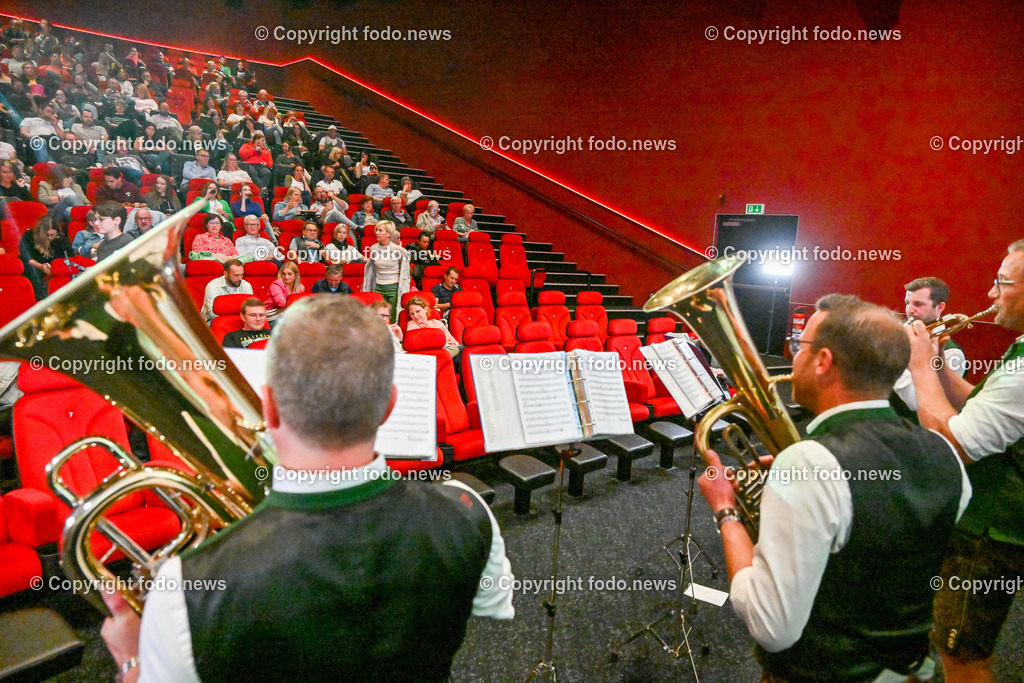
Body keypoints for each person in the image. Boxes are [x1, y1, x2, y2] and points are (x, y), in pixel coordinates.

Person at [101, 295, 513, 680]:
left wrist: (134, 658)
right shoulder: (469, 509)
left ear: (270, 406)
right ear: (390, 405)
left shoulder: (183, 586)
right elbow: (493, 604)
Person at [698, 294, 971, 682]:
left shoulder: (810, 463)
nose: (793, 358)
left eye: (800, 347)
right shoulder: (945, 452)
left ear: (824, 361)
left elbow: (770, 626)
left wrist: (727, 511)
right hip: (911, 670)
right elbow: (886, 530)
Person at [906, 240, 1024, 682]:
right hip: (1001, 522)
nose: (991, 293)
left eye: (1002, 283)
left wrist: (918, 366)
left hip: (990, 533)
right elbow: (983, 409)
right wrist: (936, 365)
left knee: (963, 657)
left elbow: (954, 444)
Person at [891, 277, 968, 418]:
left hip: (916, 433)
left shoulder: (952, 354)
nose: (910, 311)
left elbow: (915, 402)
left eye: (918, 304)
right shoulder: (901, 335)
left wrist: (892, 358)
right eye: (908, 303)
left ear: (940, 307)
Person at [363, 222, 410, 323]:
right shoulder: (373, 249)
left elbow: (405, 273)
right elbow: (370, 271)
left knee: (392, 319)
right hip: (378, 287)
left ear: (389, 233)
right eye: (376, 230)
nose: (377, 233)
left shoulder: (399, 250)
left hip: (394, 288)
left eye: (380, 230)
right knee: (377, 318)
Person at [19, 216, 72, 299]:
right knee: (33, 273)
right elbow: (26, 257)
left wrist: (55, 268)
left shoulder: (61, 239)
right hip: (34, 266)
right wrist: (40, 266)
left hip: (54, 268)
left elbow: (69, 258)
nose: (49, 238)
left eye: (52, 235)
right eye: (47, 235)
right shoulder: (29, 235)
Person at [200, 259, 252, 324]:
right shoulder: (213, 286)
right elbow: (212, 314)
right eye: (236, 275)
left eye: (242, 275)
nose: (240, 278)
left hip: (241, 321)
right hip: (216, 321)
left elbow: (250, 309)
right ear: (226, 274)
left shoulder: (246, 285)